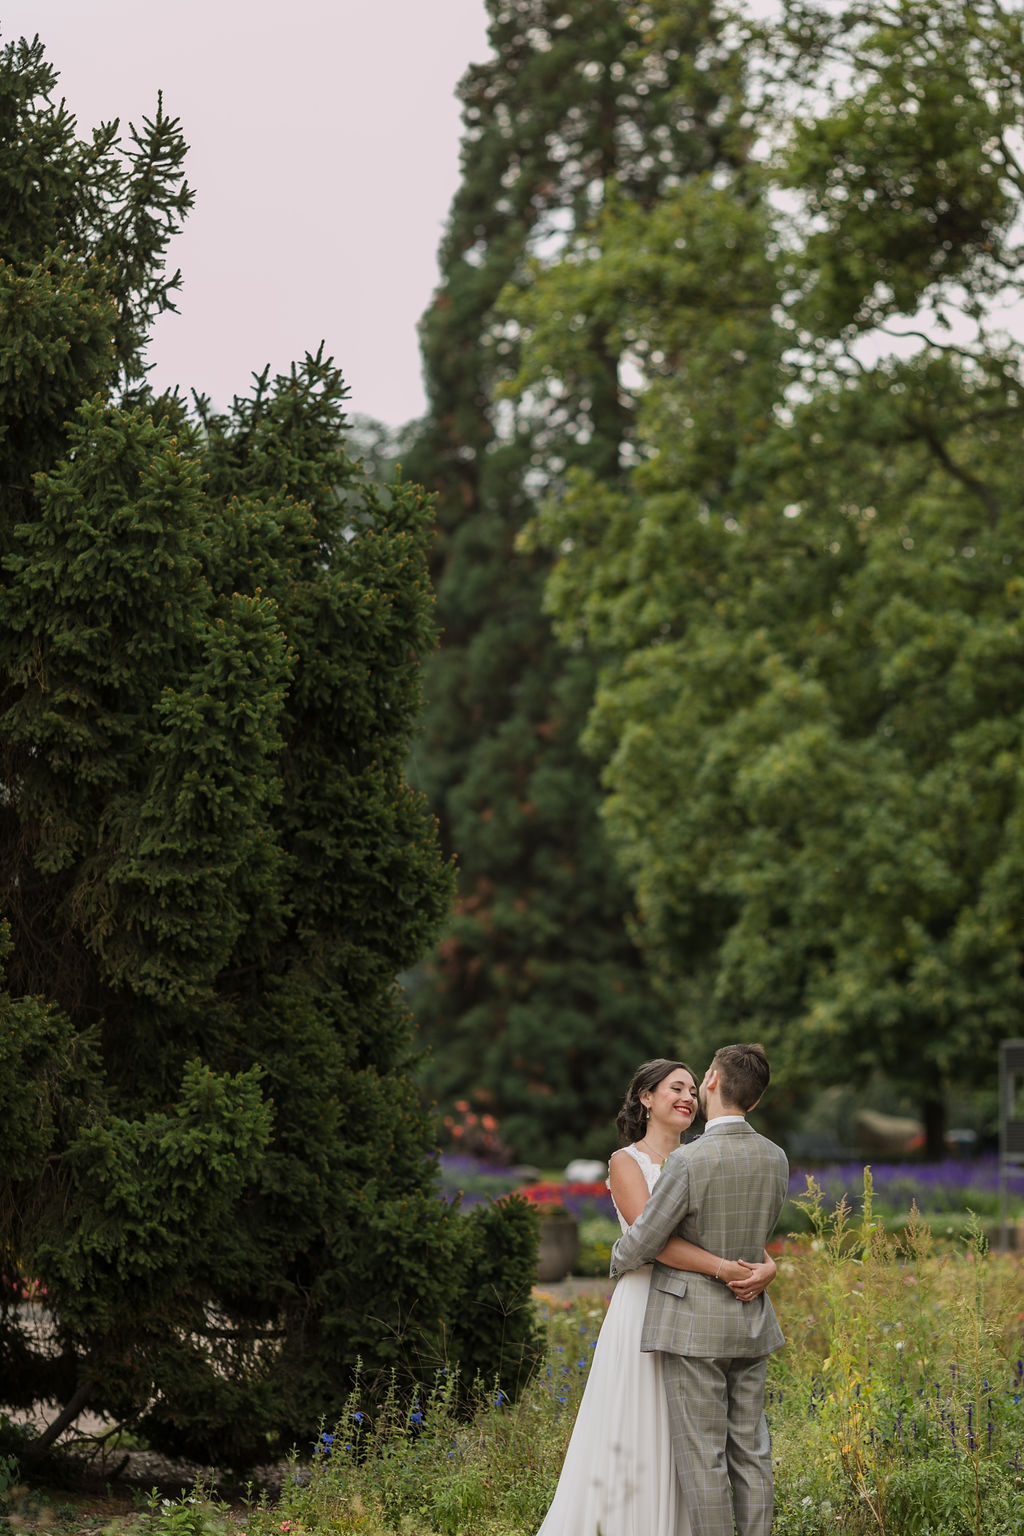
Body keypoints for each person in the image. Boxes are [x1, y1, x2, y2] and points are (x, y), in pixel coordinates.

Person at [535, 1058, 778, 1536]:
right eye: (675, 1088)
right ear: (646, 1098)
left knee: (692, 1441)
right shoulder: (628, 1161)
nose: (687, 1097)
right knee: (640, 1427)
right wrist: (725, 1267)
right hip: (646, 1304)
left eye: (692, 1089)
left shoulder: (702, 1156)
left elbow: (735, 1228)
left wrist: (767, 1264)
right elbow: (655, 1240)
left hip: (700, 1311)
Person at [610, 1044, 789, 1536]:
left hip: (694, 1330)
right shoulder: (776, 1158)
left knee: (703, 1458)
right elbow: (755, 1235)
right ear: (753, 1102)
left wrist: (617, 1259)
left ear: (711, 1080)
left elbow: (646, 1237)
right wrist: (767, 1267)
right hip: (752, 1322)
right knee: (752, 1451)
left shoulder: (688, 1161)